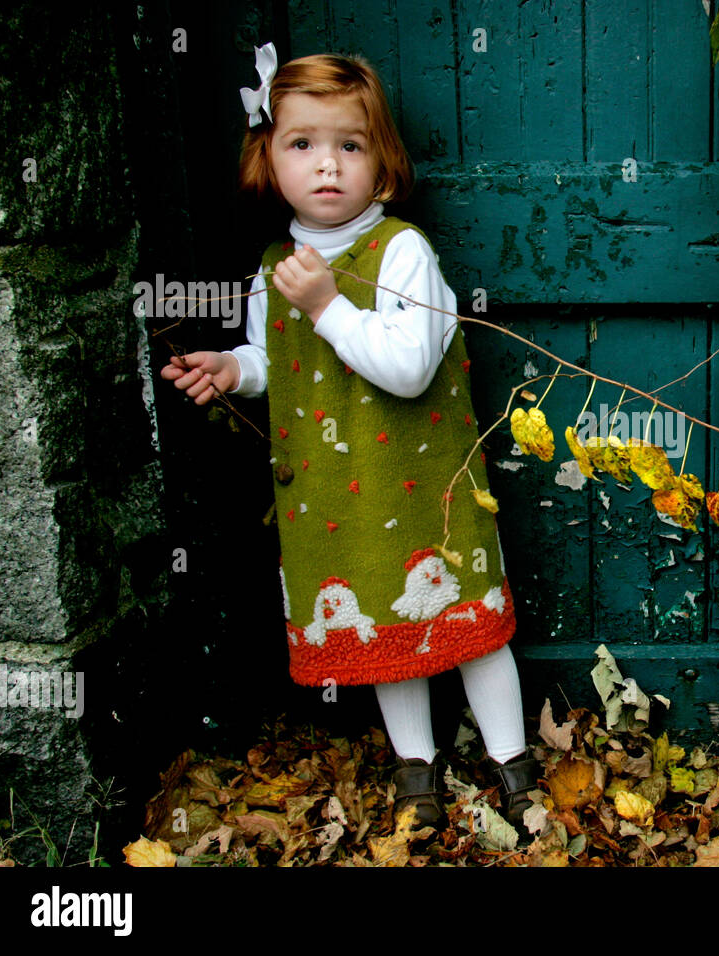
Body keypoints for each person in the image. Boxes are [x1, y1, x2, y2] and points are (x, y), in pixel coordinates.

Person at [159, 43, 537, 830]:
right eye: (303, 144)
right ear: (269, 157)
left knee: (464, 620)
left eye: (349, 145)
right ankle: (416, 767)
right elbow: (282, 360)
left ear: (382, 165)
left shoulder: (401, 251)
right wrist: (235, 368)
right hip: (337, 492)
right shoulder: (275, 265)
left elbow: (405, 365)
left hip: (420, 478)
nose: (326, 165)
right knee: (379, 620)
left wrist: (331, 305)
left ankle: (512, 760)